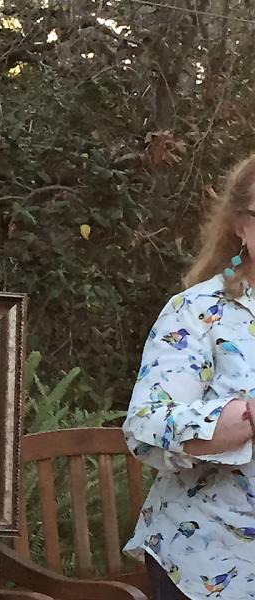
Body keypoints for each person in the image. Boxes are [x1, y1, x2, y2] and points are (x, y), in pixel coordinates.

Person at [124, 153, 255, 600]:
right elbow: (145, 426)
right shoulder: (198, 311)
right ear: (240, 223)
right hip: (206, 564)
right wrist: (242, 420)